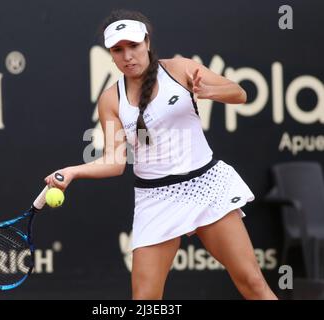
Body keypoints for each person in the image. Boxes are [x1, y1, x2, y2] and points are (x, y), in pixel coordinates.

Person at [45, 9, 277, 300]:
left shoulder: (180, 69)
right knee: (144, 300)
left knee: (252, 282)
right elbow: (115, 163)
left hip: (206, 185)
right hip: (156, 199)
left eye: (133, 46)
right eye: (118, 50)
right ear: (111, 55)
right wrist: (74, 171)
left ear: (147, 43)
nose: (127, 55)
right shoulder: (110, 99)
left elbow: (240, 93)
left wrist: (209, 92)